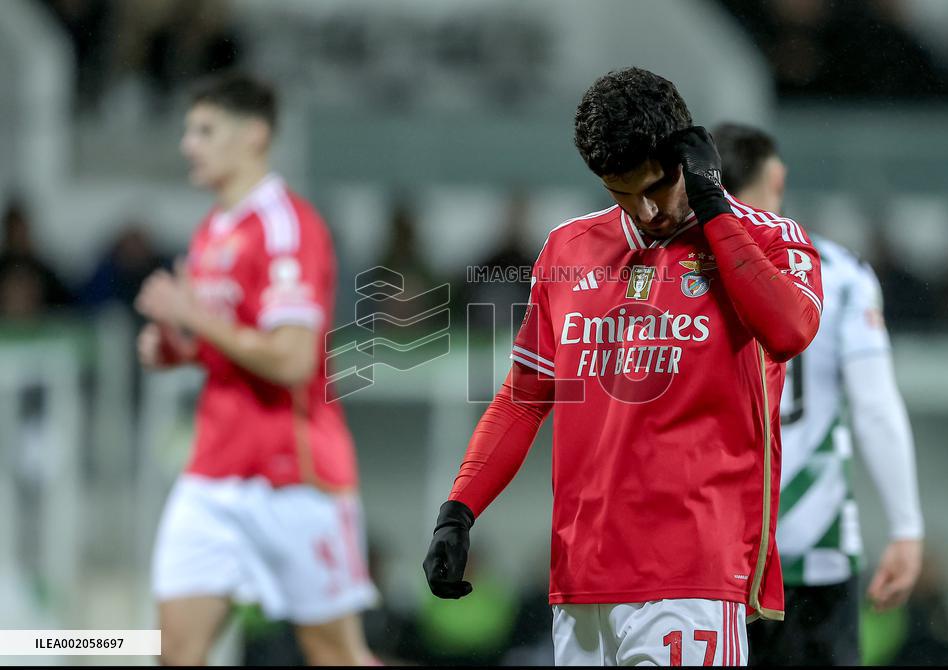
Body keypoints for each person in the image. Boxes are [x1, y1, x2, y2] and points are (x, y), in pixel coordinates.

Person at [422, 67, 825, 666]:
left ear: (689, 155)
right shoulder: (567, 249)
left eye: (658, 186)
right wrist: (459, 508)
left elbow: (790, 330)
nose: (645, 209)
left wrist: (714, 208)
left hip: (692, 571)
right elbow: (526, 395)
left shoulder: (768, 240)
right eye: (619, 191)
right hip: (581, 580)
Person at [134, 73, 378, 666]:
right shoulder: (213, 230)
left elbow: (292, 359)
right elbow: (224, 346)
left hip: (293, 476)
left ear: (255, 135)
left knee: (336, 657)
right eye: (189, 130)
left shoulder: (287, 226)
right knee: (172, 652)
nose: (189, 143)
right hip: (213, 475)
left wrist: (192, 314)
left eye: (205, 129)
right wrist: (173, 344)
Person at [713, 122, 924, 666]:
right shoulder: (838, 273)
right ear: (776, 176)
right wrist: (906, 527)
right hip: (813, 546)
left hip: (710, 545)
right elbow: (874, 407)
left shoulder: (677, 270)